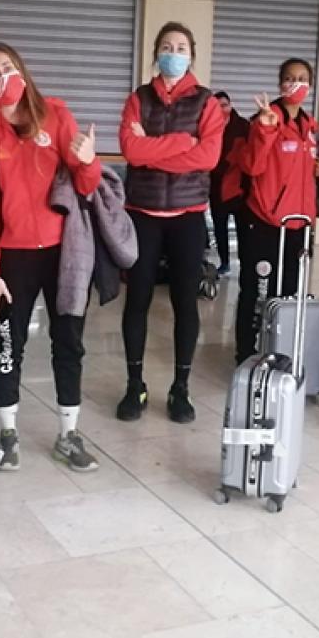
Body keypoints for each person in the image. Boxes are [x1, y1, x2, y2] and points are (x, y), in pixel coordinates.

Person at [0, 42, 102, 473]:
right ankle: (7, 432)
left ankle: (68, 434)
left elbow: (85, 185)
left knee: (68, 341)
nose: (1, 78)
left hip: (61, 254)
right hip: (13, 257)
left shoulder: (54, 115)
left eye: (7, 68)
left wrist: (88, 162)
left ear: (22, 71)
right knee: (8, 344)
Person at [116, 21, 224, 423]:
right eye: (166, 45)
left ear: (191, 55)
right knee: (137, 301)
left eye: (180, 46)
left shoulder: (207, 103)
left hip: (188, 218)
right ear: (156, 52)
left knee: (185, 303)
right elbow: (130, 150)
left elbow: (208, 158)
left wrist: (151, 149)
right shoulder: (138, 98)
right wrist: (182, 143)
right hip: (142, 215)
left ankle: (181, 388)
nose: (173, 52)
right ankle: (134, 386)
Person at [232, 58, 319, 363]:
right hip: (265, 223)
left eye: (301, 78)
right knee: (258, 293)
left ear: (310, 85)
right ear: (279, 83)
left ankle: (280, 350)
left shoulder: (309, 126)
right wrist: (265, 131)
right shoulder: (264, 119)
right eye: (289, 78)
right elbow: (252, 166)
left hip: (299, 226)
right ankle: (247, 355)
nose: (295, 84)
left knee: (289, 294)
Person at [210, 91, 249, 276]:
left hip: (239, 189)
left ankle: (245, 263)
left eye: (224, 105)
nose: (222, 109)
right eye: (217, 106)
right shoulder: (209, 127)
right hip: (216, 188)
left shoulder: (242, 126)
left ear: (230, 105)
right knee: (220, 228)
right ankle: (224, 263)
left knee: (243, 230)